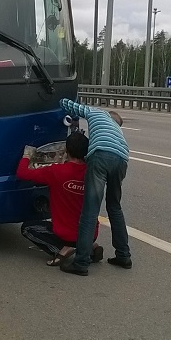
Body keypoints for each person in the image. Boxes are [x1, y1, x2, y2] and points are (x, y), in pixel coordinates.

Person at [57, 98, 131, 276]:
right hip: (122, 159)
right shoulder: (117, 130)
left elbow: (67, 104)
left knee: (90, 210)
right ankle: (123, 256)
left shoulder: (96, 112)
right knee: (114, 207)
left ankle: (81, 262)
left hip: (101, 156)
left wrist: (61, 100)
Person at [16, 132, 103, 266]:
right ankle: (90, 246)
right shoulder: (92, 171)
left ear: (66, 150)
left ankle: (62, 249)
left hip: (67, 234)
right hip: (91, 232)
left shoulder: (56, 171)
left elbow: (22, 173)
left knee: (27, 228)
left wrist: (27, 156)